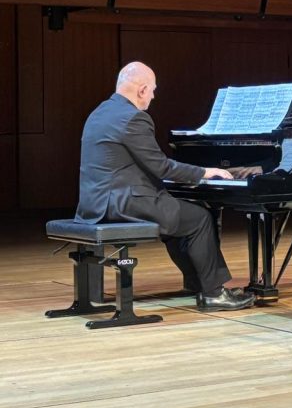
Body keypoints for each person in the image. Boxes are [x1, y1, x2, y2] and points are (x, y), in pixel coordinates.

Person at [75, 62, 255, 312]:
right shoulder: (134, 118)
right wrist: (204, 172)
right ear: (142, 90)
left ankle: (198, 285)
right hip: (124, 203)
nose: (153, 96)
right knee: (200, 218)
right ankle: (214, 294)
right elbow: (160, 167)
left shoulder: (99, 113)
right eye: (153, 90)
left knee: (178, 221)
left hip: (95, 204)